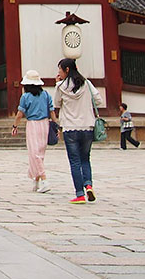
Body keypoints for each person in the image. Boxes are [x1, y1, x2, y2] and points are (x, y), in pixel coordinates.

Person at [53, 57, 102, 203]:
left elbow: (56, 103)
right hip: (87, 126)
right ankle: (88, 185)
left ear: (67, 70)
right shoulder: (86, 83)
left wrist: (58, 84)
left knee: (74, 161)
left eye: (60, 70)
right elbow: (98, 100)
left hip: (70, 127)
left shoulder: (60, 86)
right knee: (85, 159)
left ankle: (79, 194)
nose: (59, 73)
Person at [11, 70, 57, 193]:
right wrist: (56, 124)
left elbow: (20, 113)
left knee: (34, 153)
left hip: (33, 125)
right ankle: (36, 181)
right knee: (40, 152)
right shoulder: (46, 94)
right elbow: (52, 111)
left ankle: (44, 179)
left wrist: (15, 125)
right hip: (45, 124)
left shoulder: (25, 97)